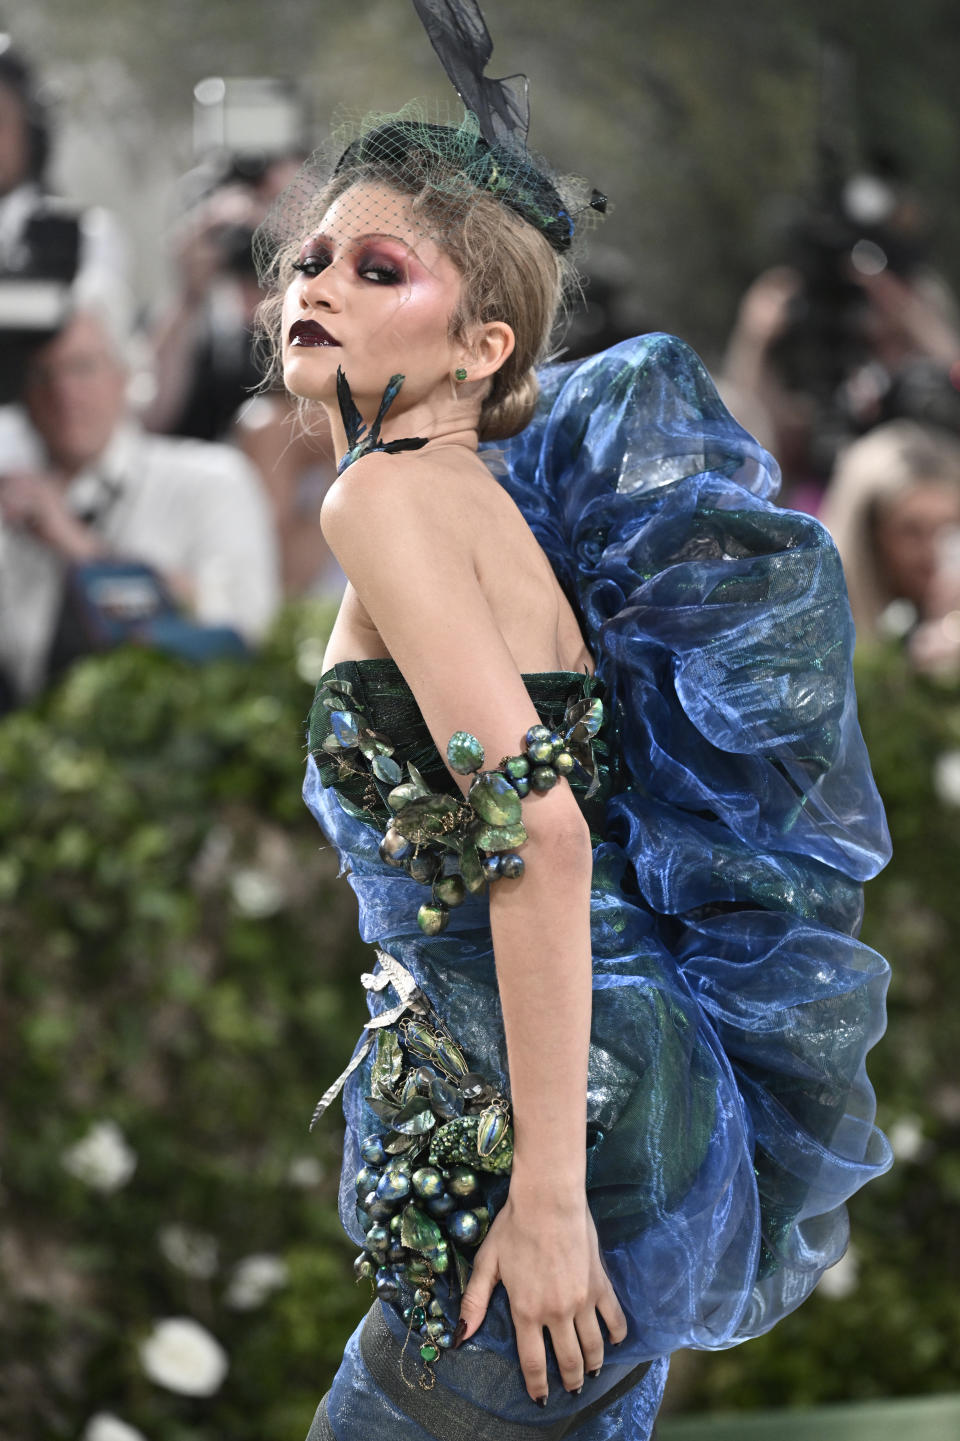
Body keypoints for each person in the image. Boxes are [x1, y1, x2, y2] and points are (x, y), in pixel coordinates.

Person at [258, 12, 892, 1439]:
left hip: (565, 1120)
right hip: (607, 1091)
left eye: (377, 267)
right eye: (309, 259)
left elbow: (538, 830)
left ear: (484, 345)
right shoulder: (481, 506)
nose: (319, 284)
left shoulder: (385, 497)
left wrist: (545, 1197)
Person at [0, 306, 280, 703]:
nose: (63, 393)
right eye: (42, 375)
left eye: (82, 367)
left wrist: (77, 546)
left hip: (181, 741)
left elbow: (241, 628)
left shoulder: (208, 479)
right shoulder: (12, 507)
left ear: (124, 375)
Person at [821, 418, 960, 674]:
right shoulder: (826, 640)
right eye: (911, 532)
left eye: (947, 529)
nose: (931, 553)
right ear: (871, 538)